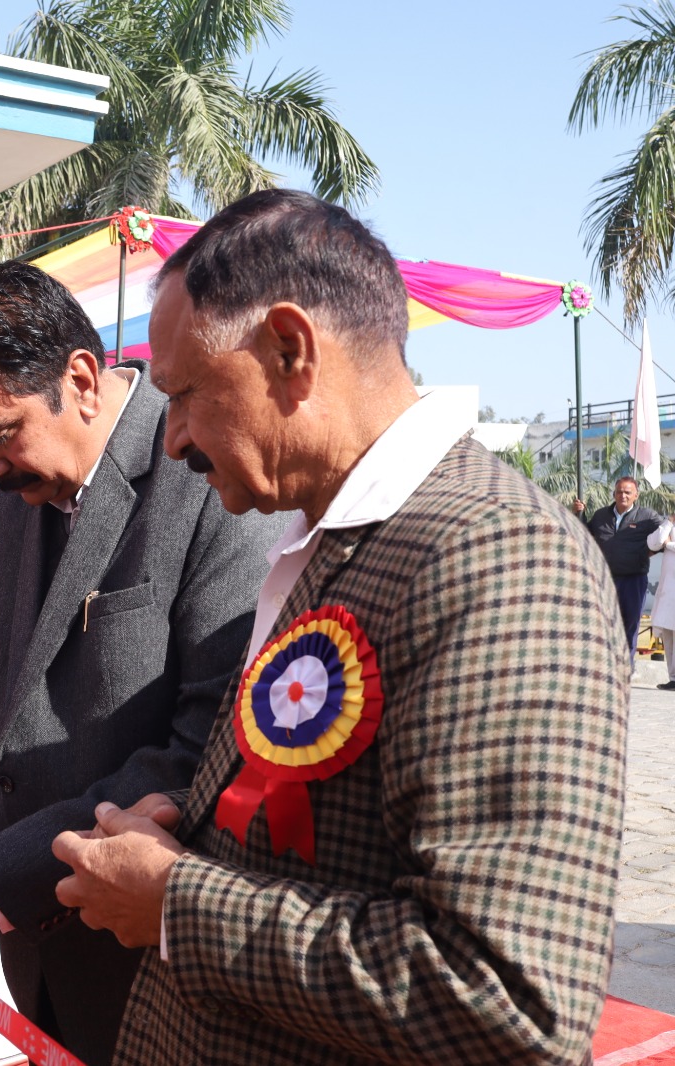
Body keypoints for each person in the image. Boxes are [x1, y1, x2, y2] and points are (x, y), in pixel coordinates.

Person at [50, 190, 627, 1065]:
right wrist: (199, 831)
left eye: (185, 394)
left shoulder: (499, 555)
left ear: (290, 351)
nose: (171, 441)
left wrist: (176, 902)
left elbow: (506, 997)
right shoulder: (336, 535)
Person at [0, 262, 285, 1064]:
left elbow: (202, 751)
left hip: (158, 979)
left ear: (80, 380)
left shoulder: (207, 476)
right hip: (45, 967)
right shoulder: (17, 501)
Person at [577, 477, 660, 654]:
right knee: (602, 626)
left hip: (633, 580)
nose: (623, 495)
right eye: (619, 492)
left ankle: (627, 667)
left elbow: (662, 538)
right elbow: (585, 535)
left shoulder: (647, 517)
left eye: (627, 492)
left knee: (629, 626)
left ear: (636, 495)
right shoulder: (600, 515)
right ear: (614, 494)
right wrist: (579, 514)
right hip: (604, 580)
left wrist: (645, 553)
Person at [647, 514, 675, 690]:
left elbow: (665, 544)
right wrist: (669, 522)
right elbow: (653, 544)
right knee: (668, 634)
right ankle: (673, 678)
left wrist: (669, 545)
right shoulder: (669, 523)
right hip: (667, 590)